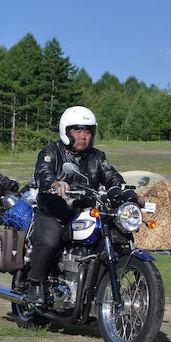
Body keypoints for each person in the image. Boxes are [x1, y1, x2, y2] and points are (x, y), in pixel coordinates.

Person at [26, 106, 128, 305]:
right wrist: (54, 183)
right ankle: (35, 284)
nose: (83, 136)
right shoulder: (51, 152)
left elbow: (112, 177)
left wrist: (127, 192)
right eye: (78, 130)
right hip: (53, 211)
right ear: (66, 131)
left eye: (88, 131)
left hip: (85, 213)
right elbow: (43, 172)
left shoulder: (97, 157)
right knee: (49, 240)